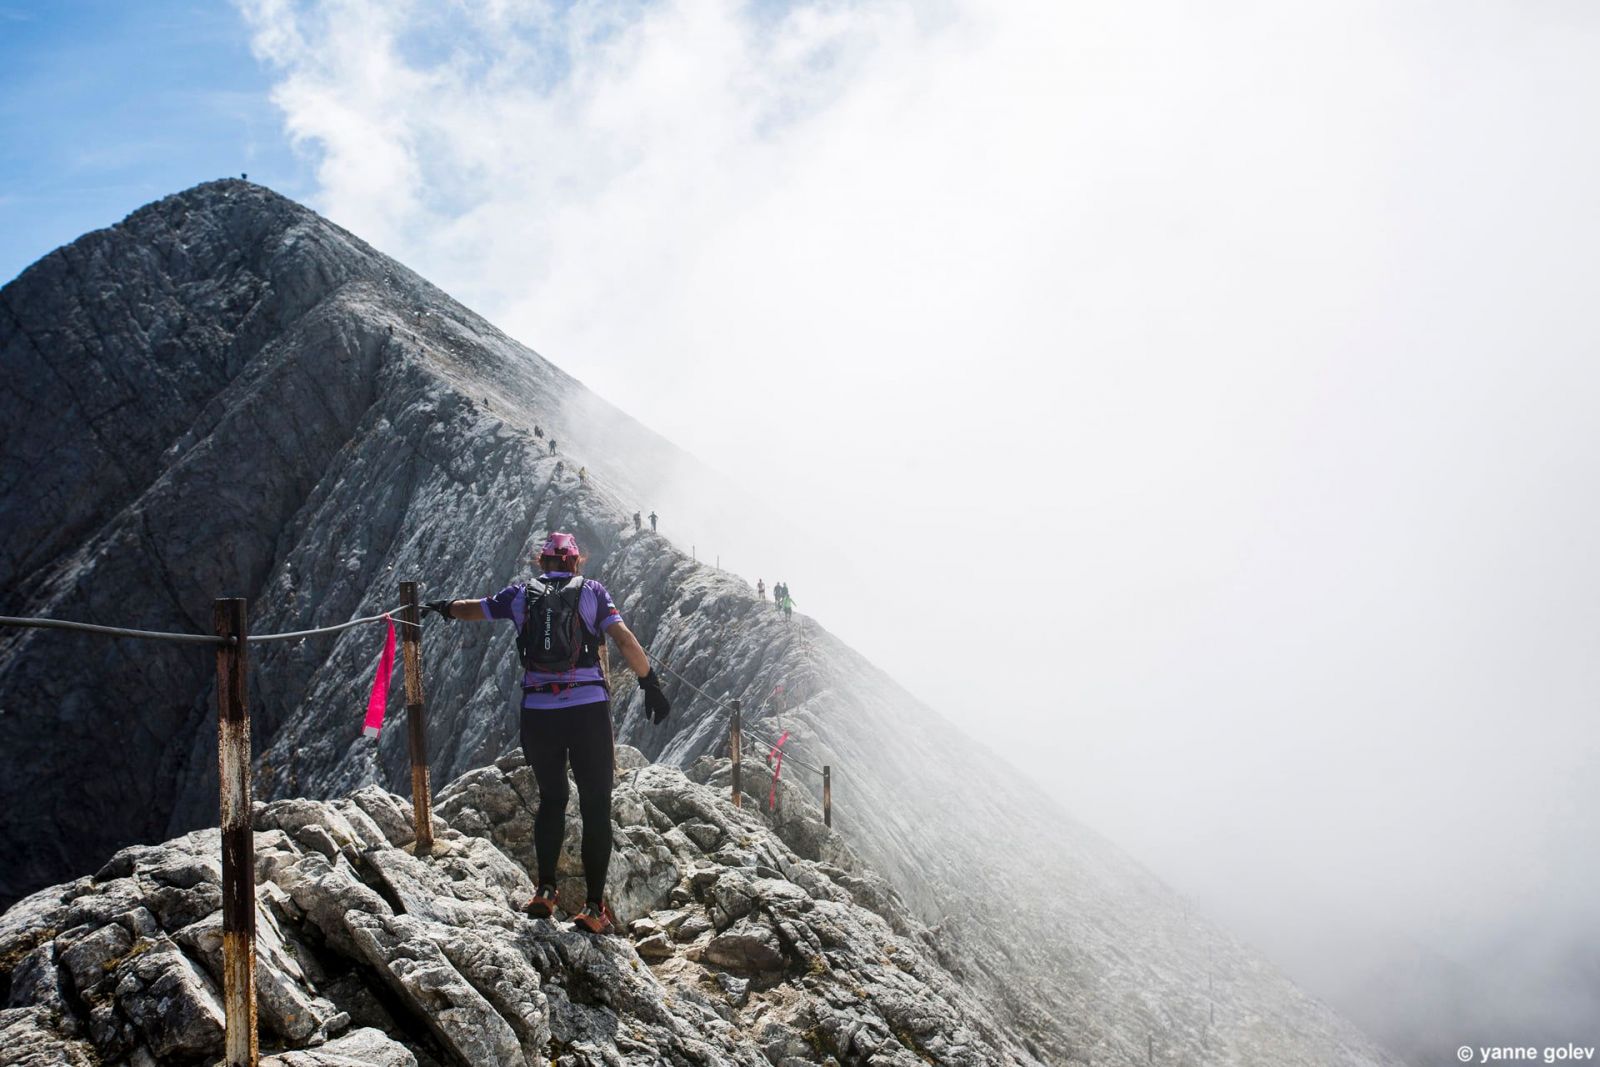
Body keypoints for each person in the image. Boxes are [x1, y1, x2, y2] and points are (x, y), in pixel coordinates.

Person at [424, 532, 670, 934]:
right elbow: (623, 638)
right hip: (588, 711)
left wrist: (445, 608)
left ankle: (545, 891)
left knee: (552, 799)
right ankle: (594, 908)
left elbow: (475, 608)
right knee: (595, 805)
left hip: (539, 712)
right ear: (574, 562)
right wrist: (650, 683)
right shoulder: (593, 591)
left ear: (542, 562)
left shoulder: (520, 595)